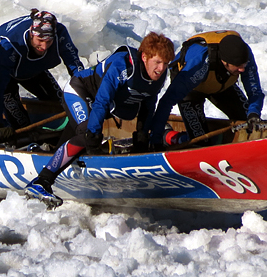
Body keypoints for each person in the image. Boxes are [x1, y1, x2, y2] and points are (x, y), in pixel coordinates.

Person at [24, 32, 175, 208]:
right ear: (144, 57)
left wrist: (142, 134)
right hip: (79, 91)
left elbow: (148, 105)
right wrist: (93, 134)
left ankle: (49, 152)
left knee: (79, 135)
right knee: (87, 133)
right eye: (157, 62)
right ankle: (41, 182)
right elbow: (102, 101)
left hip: (101, 104)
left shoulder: (159, 75)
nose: (161, 68)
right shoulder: (122, 66)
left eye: (166, 63)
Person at [148, 31, 265, 148]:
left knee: (250, 122)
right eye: (238, 67)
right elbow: (167, 101)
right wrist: (155, 139)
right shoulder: (199, 65)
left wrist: (254, 113)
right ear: (225, 62)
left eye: (243, 65)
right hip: (191, 87)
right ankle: (168, 136)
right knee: (200, 143)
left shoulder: (244, 54)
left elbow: (255, 90)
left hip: (221, 83)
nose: (242, 70)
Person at [0, 9, 85, 140]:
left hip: (34, 68)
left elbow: (74, 63)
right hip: (4, 68)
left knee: (60, 104)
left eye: (49, 41)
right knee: (21, 124)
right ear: (31, 34)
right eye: (40, 40)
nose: (44, 46)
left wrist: (86, 92)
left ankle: (58, 135)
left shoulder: (60, 33)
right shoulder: (11, 44)